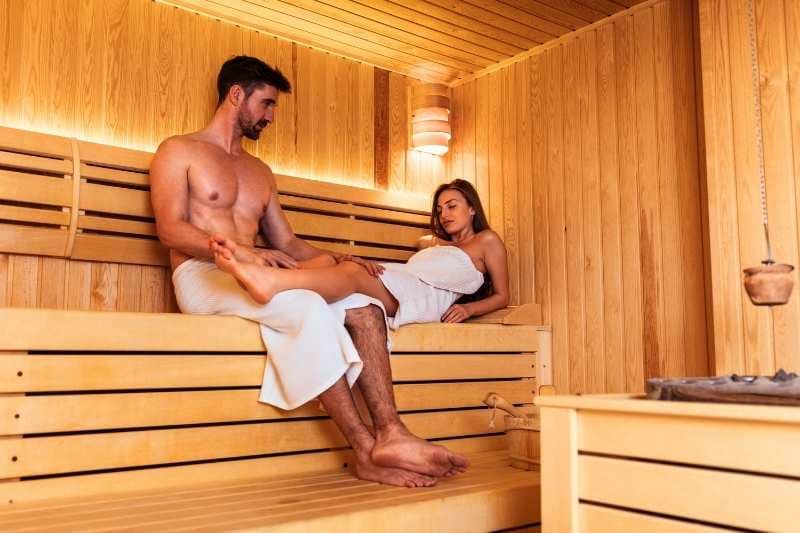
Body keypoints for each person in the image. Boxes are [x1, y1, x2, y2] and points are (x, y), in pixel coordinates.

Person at [149, 55, 468, 488]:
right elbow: (170, 230)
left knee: (363, 304)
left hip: (256, 276)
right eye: (266, 104)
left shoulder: (260, 172)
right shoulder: (179, 150)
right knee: (305, 306)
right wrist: (245, 254)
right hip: (202, 276)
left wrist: (342, 258)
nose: (270, 117)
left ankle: (392, 432)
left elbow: (288, 244)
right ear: (236, 94)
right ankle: (364, 450)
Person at [210, 179, 510, 328]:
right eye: (439, 208)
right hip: (405, 280)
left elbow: (502, 296)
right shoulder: (431, 244)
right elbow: (409, 269)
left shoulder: (487, 241)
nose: (444, 213)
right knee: (334, 261)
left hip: (427, 299)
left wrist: (470, 310)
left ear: (472, 208)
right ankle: (262, 272)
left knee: (353, 273)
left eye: (452, 205)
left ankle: (270, 281)